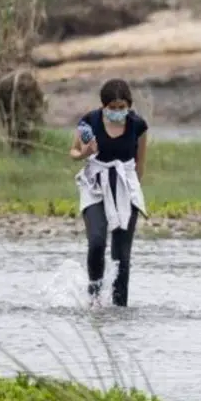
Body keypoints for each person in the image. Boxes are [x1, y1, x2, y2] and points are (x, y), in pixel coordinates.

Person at [70, 79, 148, 308]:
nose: (116, 112)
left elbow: (139, 164)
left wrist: (132, 194)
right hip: (95, 185)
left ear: (129, 105)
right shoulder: (89, 122)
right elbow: (74, 152)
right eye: (112, 107)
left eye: (121, 107)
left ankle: (119, 308)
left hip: (125, 186)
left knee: (121, 255)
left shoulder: (138, 126)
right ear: (104, 106)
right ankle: (94, 299)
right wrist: (84, 152)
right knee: (96, 242)